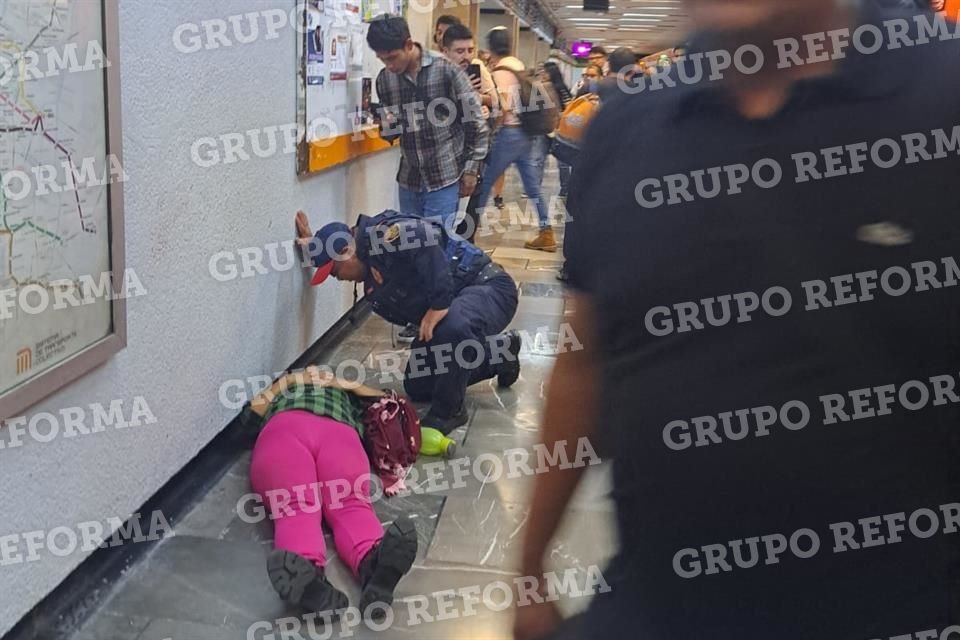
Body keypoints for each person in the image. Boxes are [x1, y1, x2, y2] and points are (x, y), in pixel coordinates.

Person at [515, 1, 960, 639]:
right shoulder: (628, 130)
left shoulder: (940, 96)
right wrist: (529, 570)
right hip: (652, 606)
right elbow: (585, 359)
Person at [296, 209, 521, 435]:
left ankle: (449, 412)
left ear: (347, 251)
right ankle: (499, 354)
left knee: (452, 327)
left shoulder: (381, 236)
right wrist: (315, 247)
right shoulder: (371, 275)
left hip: (488, 287)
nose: (340, 279)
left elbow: (424, 237)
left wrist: (439, 305)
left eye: (335, 272)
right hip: (454, 306)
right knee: (418, 385)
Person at [248, 367, 418, 619]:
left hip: (324, 433)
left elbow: (382, 399)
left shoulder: (347, 393)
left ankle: (371, 566)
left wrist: (344, 384)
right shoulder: (283, 388)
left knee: (302, 507)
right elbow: (249, 418)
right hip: (300, 430)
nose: (314, 373)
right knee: (342, 504)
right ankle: (360, 566)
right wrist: (287, 382)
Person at [366, 16, 488, 231]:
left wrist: (471, 170)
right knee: (408, 247)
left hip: (444, 175)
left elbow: (476, 122)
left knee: (436, 248)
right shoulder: (385, 80)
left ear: (409, 45)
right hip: (409, 178)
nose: (389, 65)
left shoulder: (447, 71)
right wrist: (386, 125)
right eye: (382, 59)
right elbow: (391, 134)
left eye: (392, 58)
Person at [472, 27, 557, 252]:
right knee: (532, 186)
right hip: (526, 133)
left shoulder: (501, 70)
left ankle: (469, 231)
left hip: (510, 133)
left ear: (490, 49)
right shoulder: (518, 65)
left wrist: (493, 129)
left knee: (485, 181)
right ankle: (546, 231)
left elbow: (505, 106)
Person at [442, 23, 498, 242]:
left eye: (470, 50)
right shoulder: (435, 74)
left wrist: (474, 96)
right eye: (460, 51)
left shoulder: (478, 69)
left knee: (465, 219)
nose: (466, 57)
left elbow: (496, 103)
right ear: (445, 50)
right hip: (444, 158)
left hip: (472, 152)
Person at [541, 61, 573, 198]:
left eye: (545, 72)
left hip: (558, 128)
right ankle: (564, 187)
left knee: (561, 161)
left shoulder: (558, 88)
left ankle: (565, 187)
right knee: (557, 160)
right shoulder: (554, 88)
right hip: (552, 128)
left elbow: (568, 108)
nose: (542, 74)